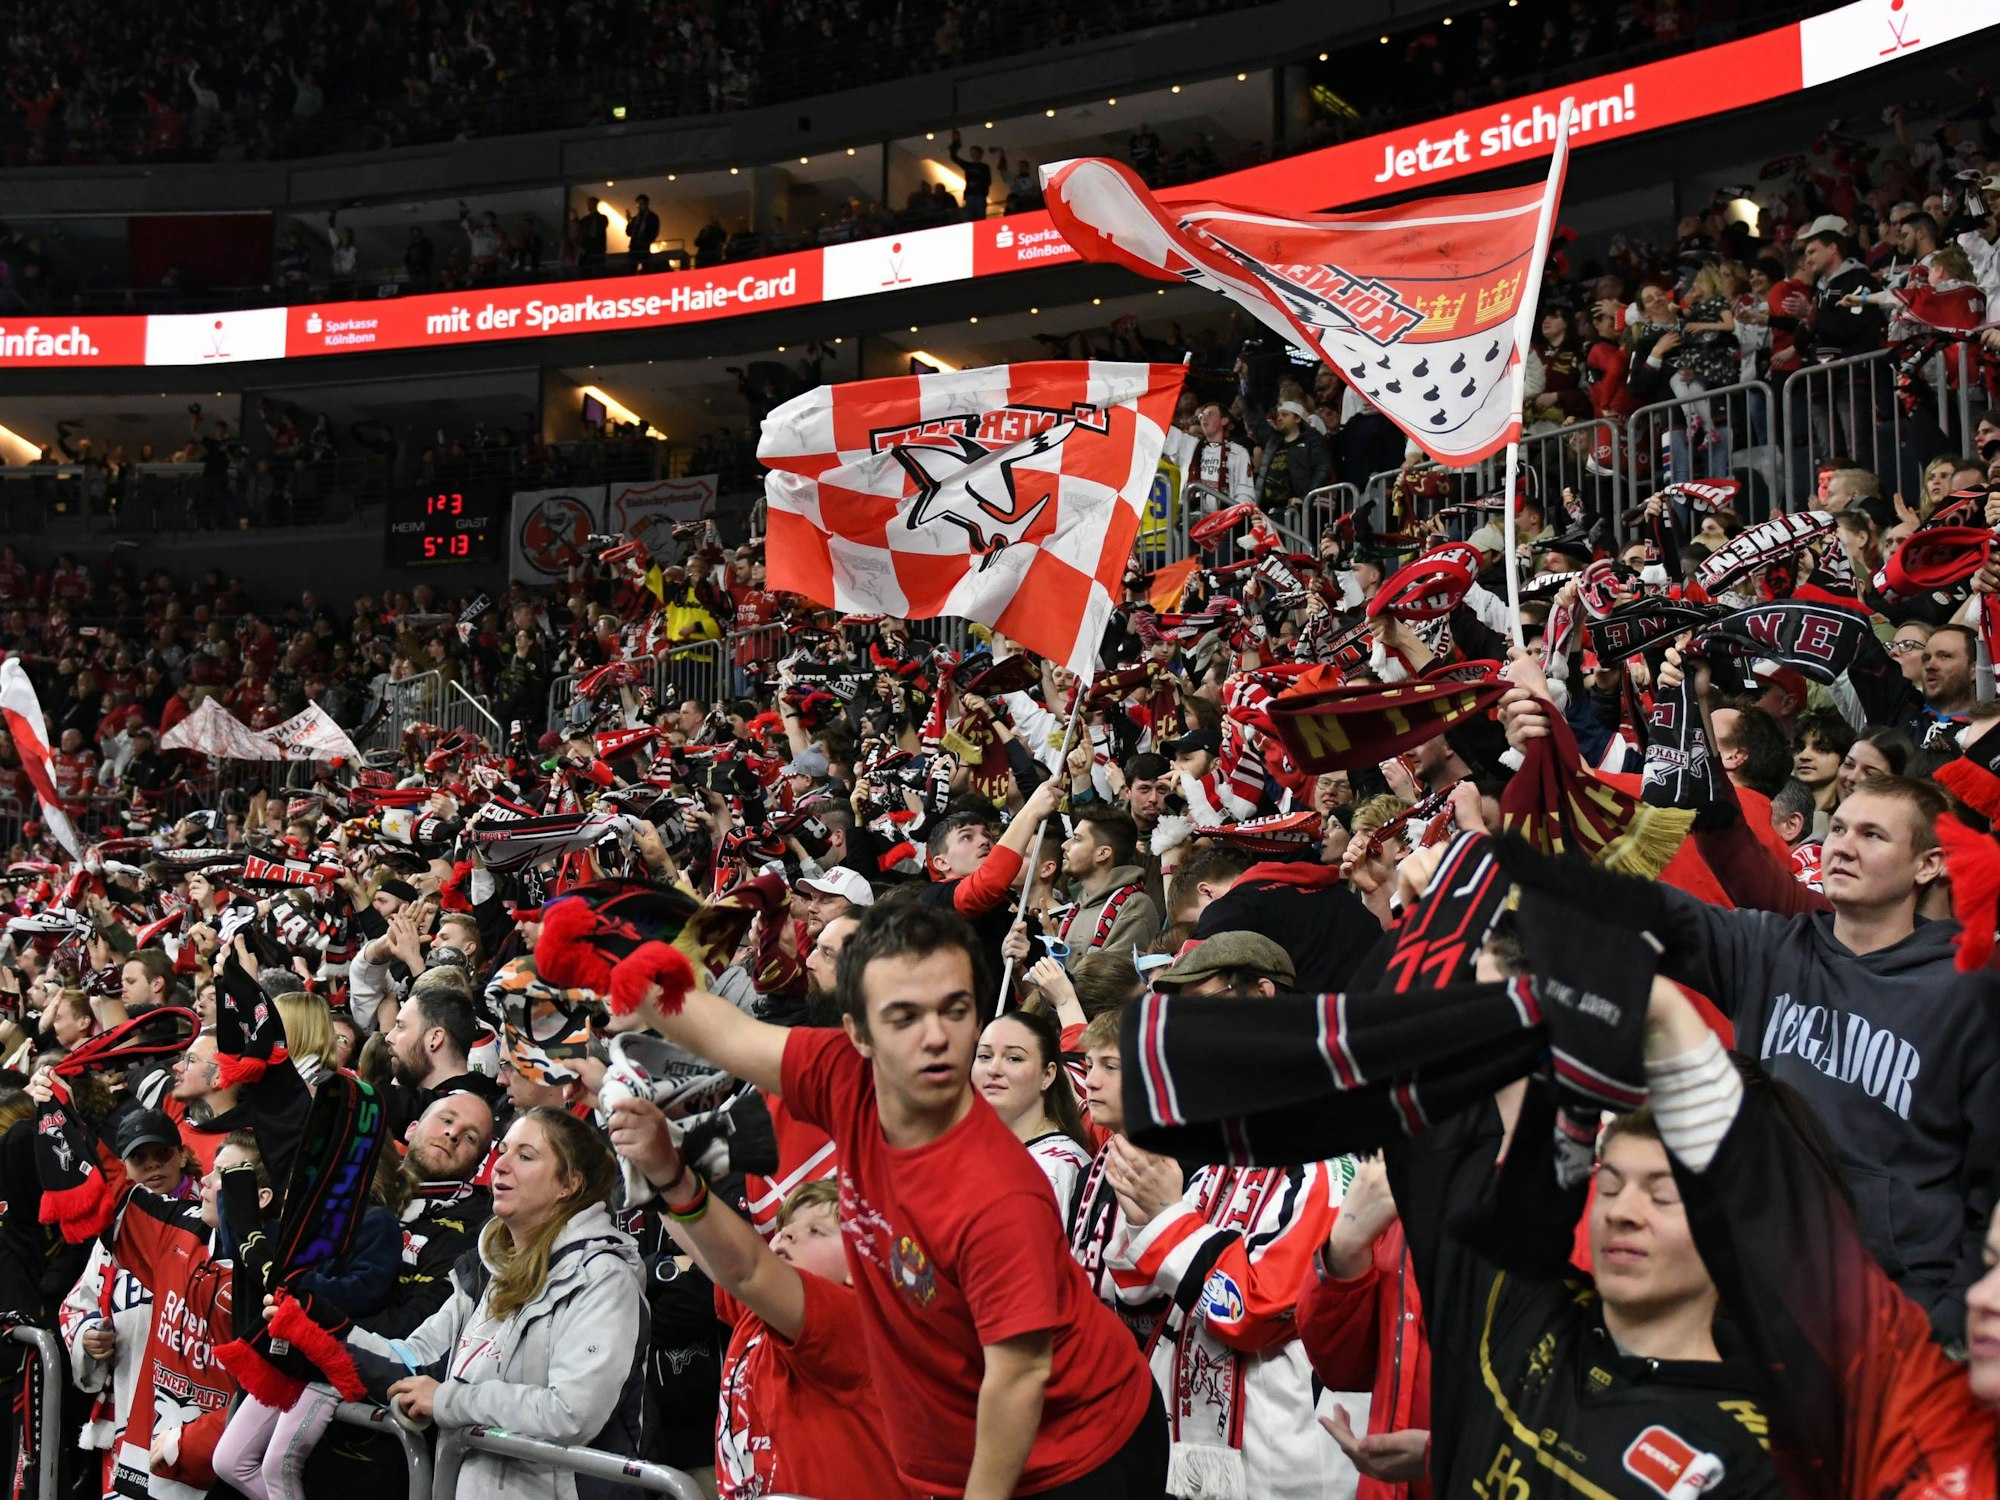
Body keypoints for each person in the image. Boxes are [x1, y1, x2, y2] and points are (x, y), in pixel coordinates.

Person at [610, 901, 1166, 1497]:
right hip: (967, 1432)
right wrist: (612, 970)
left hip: (1081, 1453)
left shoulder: (999, 1193)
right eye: (904, 1016)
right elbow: (730, 1033)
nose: (937, 1038)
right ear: (858, 1034)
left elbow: (1020, 1376)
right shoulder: (843, 1076)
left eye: (955, 1011)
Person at [608, 1101, 916, 1500]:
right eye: (786, 1227)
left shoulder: (856, 1322)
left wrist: (670, 1174)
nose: (786, 1236)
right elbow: (711, 1253)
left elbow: (746, 1269)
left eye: (817, 1231)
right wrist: (639, 1154)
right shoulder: (757, 1313)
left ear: (860, 1267)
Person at [345, 1108, 647, 1498]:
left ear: (568, 1184)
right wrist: (328, 1331)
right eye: (502, 1151)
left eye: (525, 1156)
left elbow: (572, 1412)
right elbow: (415, 1358)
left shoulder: (604, 1278)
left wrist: (448, 1400)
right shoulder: (489, 1271)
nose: (500, 1165)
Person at [59, 1109, 199, 1500]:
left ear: (182, 1155)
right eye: (140, 1157)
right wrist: (89, 1336)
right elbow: (77, 1306)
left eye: (162, 1153)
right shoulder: (113, 1232)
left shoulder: (209, 1216)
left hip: (192, 1403)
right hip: (127, 1399)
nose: (153, 1164)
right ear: (125, 1166)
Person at [973, 1007, 1092, 1211]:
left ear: (1047, 1075)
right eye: (984, 1056)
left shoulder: (1057, 1168)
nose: (993, 1069)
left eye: (1014, 1058)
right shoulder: (961, 1150)